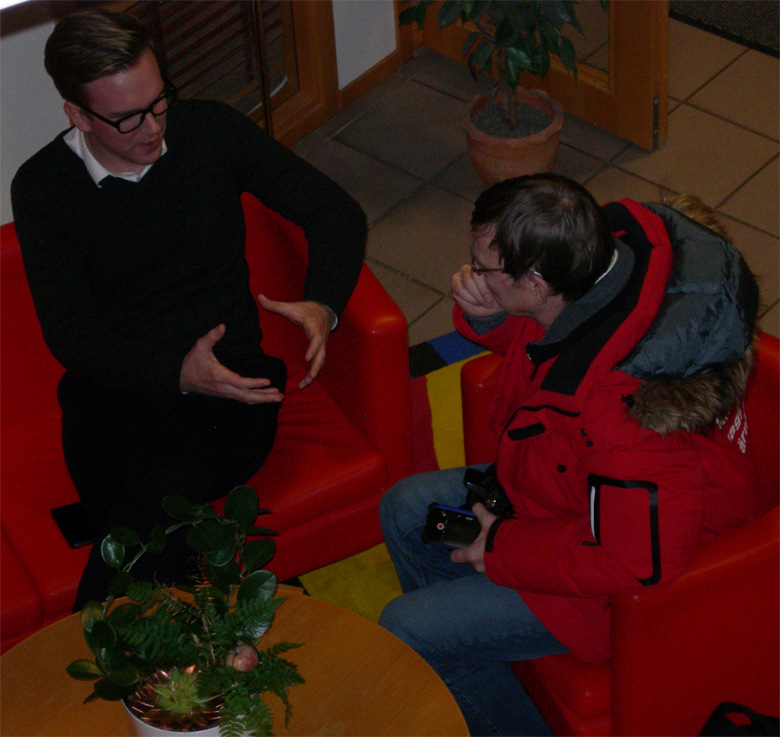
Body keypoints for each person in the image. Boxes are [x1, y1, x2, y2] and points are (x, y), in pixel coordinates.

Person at [379, 174, 761, 736]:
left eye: (484, 268)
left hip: (610, 590)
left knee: (407, 627)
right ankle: (472, 656)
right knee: (408, 511)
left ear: (536, 284)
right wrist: (491, 316)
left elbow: (630, 563)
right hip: (558, 498)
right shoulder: (596, 271)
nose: (471, 273)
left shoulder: (627, 422)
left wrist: (502, 547)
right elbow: (542, 350)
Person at [11, 9, 366, 610]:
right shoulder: (43, 187)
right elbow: (70, 332)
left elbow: (335, 212)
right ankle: (216, 628)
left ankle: (93, 653)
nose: (153, 128)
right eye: (128, 118)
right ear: (78, 115)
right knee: (139, 529)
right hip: (115, 394)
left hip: (231, 391)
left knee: (149, 516)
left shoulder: (211, 131)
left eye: (159, 102)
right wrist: (176, 372)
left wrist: (322, 301)